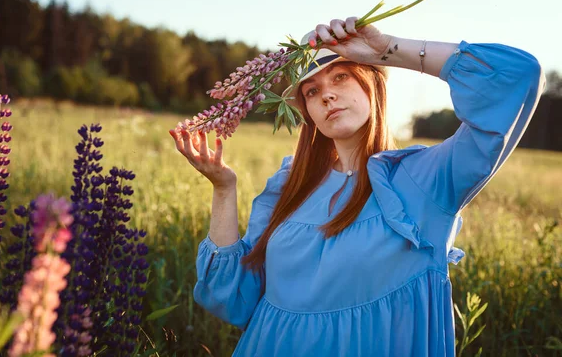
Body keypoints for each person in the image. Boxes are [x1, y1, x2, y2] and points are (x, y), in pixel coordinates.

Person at [168, 18, 545, 356]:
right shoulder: (288, 186)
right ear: (307, 113)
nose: (327, 95)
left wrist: (387, 49)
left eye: (340, 77)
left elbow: (516, 75)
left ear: (371, 83)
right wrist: (223, 189)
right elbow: (230, 300)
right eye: (311, 91)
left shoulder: (426, 179)